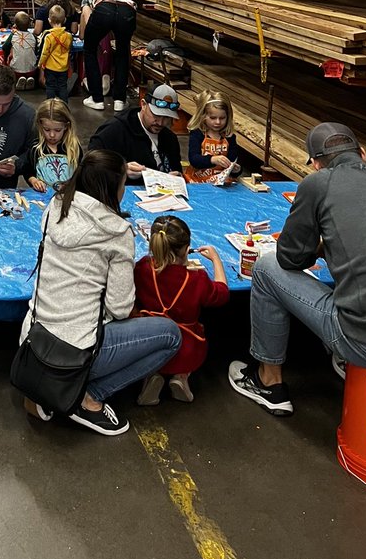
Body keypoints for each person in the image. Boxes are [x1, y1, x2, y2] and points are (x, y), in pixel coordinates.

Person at [19, 150, 181, 435]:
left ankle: (48, 389)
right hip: (73, 354)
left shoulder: (56, 205)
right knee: (170, 335)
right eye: (124, 184)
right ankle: (86, 398)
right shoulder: (116, 232)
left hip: (32, 339)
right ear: (112, 187)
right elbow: (119, 309)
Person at [229, 123, 366, 417]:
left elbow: (290, 258)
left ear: (316, 165)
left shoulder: (318, 184)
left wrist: (320, 246)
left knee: (266, 268)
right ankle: (344, 360)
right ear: (362, 154)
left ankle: (268, 382)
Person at [134, 215, 229, 404]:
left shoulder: (142, 268)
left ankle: (152, 375)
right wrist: (216, 260)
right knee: (193, 341)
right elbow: (222, 294)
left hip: (149, 345)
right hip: (186, 349)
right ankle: (181, 377)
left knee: (152, 355)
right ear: (187, 250)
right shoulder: (196, 278)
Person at [88, 83, 182, 181]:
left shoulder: (170, 138)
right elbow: (91, 164)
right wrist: (121, 169)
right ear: (143, 105)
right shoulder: (115, 131)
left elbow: (176, 169)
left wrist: (177, 177)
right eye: (156, 115)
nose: (160, 122)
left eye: (166, 117)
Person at [80, 0, 137, 112]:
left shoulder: (87, 0)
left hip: (104, 11)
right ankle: (120, 100)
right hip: (128, 11)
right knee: (122, 53)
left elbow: (89, 23)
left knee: (90, 50)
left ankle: (96, 99)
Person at [19, 99, 82, 193]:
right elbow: (27, 170)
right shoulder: (36, 148)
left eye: (57, 130)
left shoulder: (74, 147)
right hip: (43, 196)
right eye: (47, 129)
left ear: (66, 126)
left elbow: (82, 173)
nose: (52, 135)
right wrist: (34, 181)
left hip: (69, 196)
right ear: (40, 125)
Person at [186, 90, 240, 183]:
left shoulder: (229, 137)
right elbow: (194, 159)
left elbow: (233, 161)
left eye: (222, 118)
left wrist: (236, 170)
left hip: (221, 182)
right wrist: (212, 159)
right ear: (203, 116)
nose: (218, 122)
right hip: (198, 181)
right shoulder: (197, 134)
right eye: (213, 118)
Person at [38, 5, 72, 104]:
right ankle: (64, 106)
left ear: (49, 20)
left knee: (50, 86)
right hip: (64, 67)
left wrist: (40, 64)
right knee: (63, 87)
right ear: (64, 20)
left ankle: (50, 105)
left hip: (50, 67)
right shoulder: (68, 36)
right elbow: (68, 49)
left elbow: (45, 53)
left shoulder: (49, 36)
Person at [2, 10, 37, 90]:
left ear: (15, 25)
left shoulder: (13, 35)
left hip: (16, 71)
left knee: (11, 54)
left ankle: (17, 80)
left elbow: (5, 47)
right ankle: (29, 79)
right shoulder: (33, 36)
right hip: (32, 70)